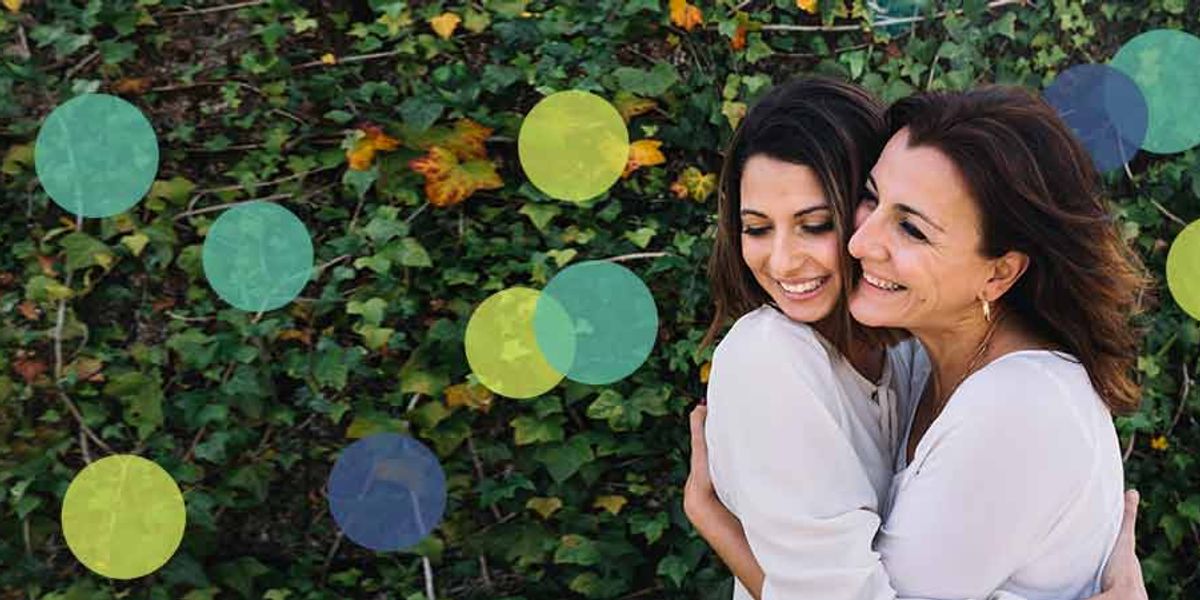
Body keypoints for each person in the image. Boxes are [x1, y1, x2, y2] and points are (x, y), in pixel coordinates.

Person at [683, 78, 1150, 600]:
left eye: (912, 229)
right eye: (871, 200)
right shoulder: (909, 359)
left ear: (998, 275)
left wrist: (716, 522)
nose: (862, 241)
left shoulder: (1013, 401)